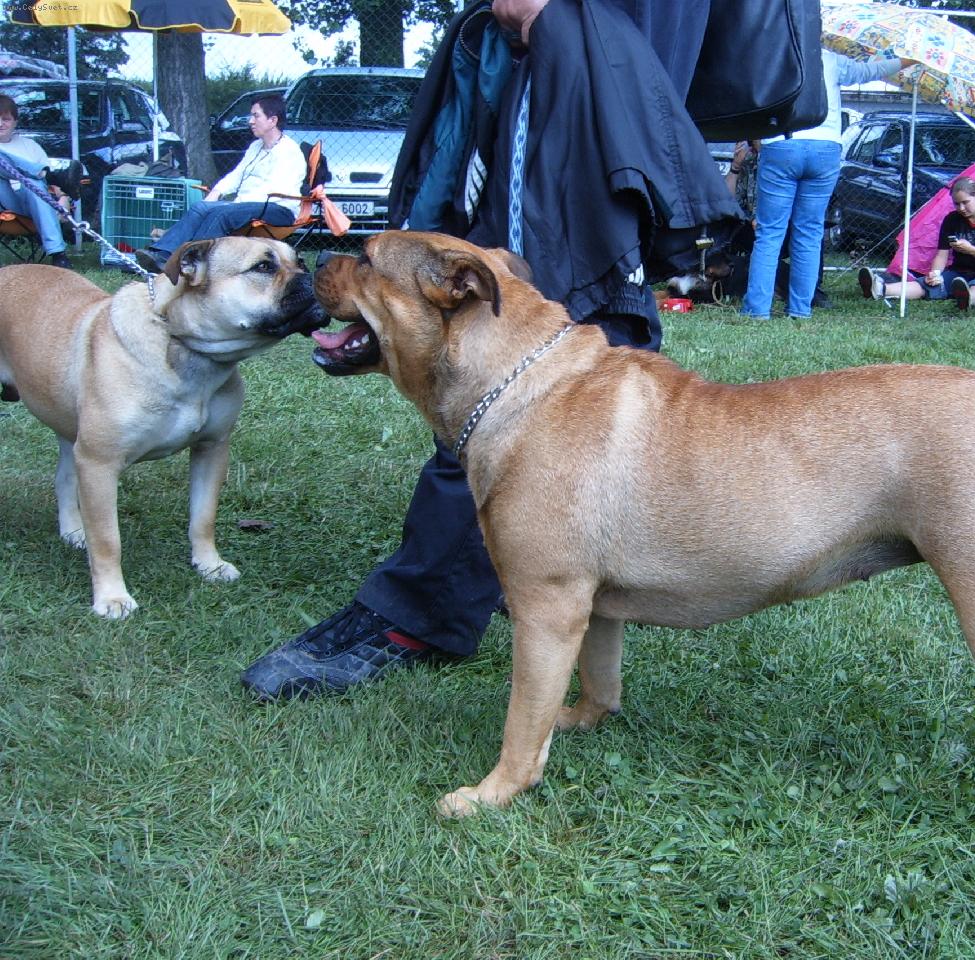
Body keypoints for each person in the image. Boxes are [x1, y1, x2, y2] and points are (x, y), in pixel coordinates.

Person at [240, 0, 741, 700]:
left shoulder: (583, 39)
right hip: (573, 69)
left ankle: (424, 611)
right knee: (535, 377)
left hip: (586, 67)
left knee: (509, 393)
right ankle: (536, 573)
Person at [740, 49, 916, 320]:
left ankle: (757, 310)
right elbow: (870, 71)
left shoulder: (771, 53)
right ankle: (800, 309)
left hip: (781, 143)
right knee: (810, 233)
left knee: (770, 233)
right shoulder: (830, 58)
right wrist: (908, 60)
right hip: (826, 147)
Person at [133, 94, 304, 273]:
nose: (250, 121)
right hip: (250, 205)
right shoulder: (256, 147)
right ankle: (161, 254)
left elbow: (275, 191)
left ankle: (193, 262)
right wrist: (217, 192)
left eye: (256, 116)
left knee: (221, 213)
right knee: (201, 207)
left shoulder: (288, 151)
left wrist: (234, 204)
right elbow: (236, 175)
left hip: (278, 209)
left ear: (273, 120)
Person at [857, 176, 975, 311]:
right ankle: (880, 289)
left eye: (965, 202)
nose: (961, 208)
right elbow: (942, 254)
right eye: (957, 204)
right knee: (928, 284)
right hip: (959, 272)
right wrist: (935, 274)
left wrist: (971, 250)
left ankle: (967, 299)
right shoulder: (952, 219)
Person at [0, 94, 72, 269]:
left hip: (31, 202)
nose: (0, 124)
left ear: (15, 122)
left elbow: (50, 185)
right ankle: (38, 171)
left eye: (6, 119)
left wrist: (63, 197)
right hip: (2, 202)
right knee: (33, 176)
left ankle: (58, 254)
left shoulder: (30, 146)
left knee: (34, 184)